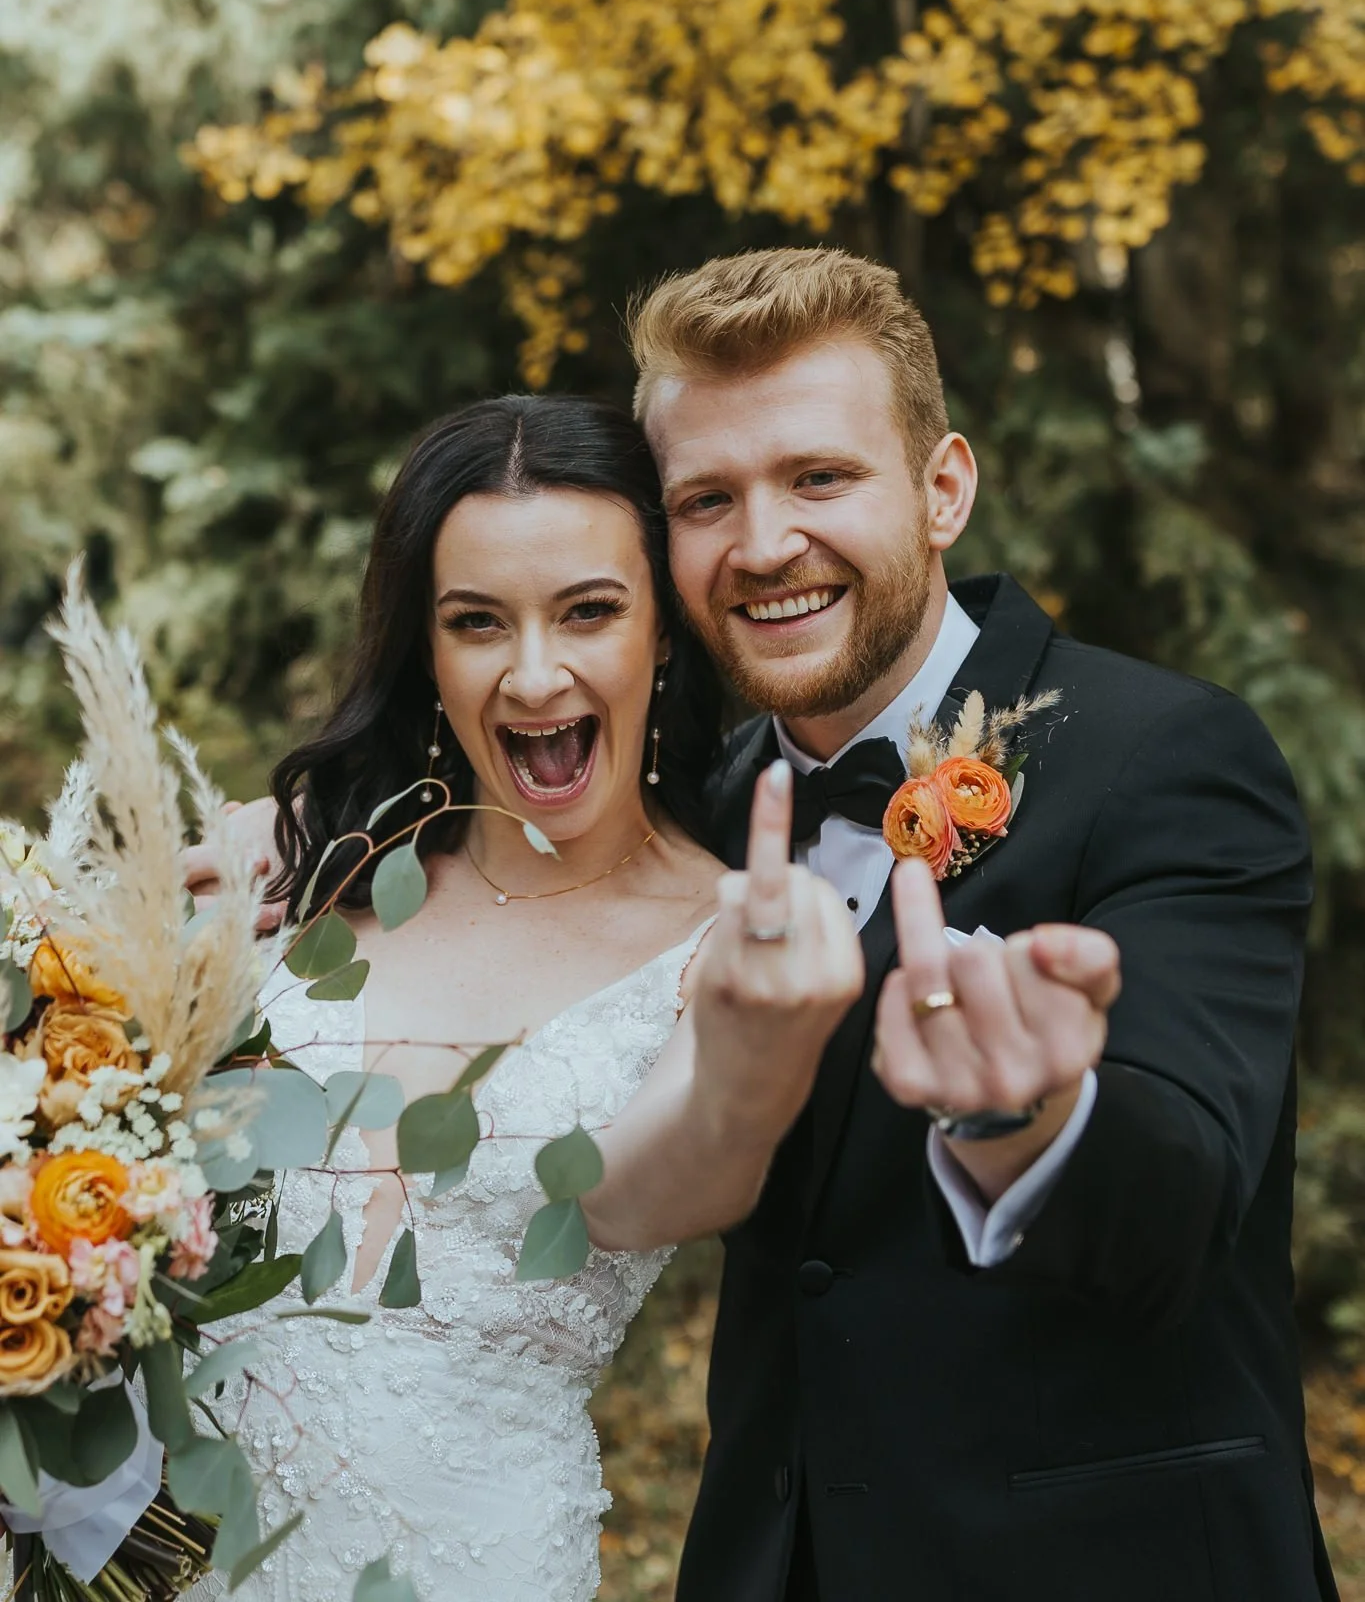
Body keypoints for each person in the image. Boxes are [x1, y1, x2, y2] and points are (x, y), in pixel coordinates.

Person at [193, 243, 1328, 1602]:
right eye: (706, 499)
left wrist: (1035, 1117)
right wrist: (315, 824)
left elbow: (1186, 1192)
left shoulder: (1163, 758)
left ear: (942, 486)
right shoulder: (698, 816)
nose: (765, 542)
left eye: (820, 479)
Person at [186, 393, 869, 1602]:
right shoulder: (311, 872)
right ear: (427, 649)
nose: (534, 672)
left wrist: (752, 1068)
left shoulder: (724, 937)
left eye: (590, 610)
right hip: (165, 1538)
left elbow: (668, 1178)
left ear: (662, 631)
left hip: (471, 1558)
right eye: (476, 622)